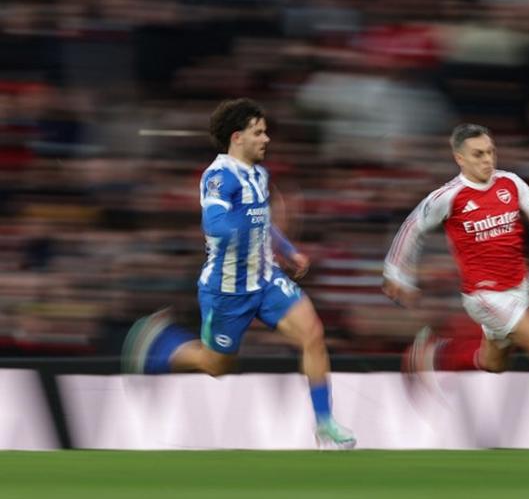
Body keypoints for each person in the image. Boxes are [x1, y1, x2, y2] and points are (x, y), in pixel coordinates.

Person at [122, 98, 356, 449]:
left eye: (266, 132)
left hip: (266, 280)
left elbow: (262, 220)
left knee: (313, 334)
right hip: (227, 290)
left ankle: (324, 423)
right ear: (237, 137)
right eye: (258, 132)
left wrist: (288, 250)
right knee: (217, 366)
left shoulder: (259, 174)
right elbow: (214, 223)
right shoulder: (218, 177)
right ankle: (159, 342)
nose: (266, 139)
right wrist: (247, 224)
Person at [383, 123, 529, 446]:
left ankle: (435, 352)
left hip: (518, 288)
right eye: (478, 154)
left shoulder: (510, 183)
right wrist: (397, 274)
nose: (487, 160)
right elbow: (412, 227)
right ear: (459, 158)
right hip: (484, 295)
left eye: (490, 152)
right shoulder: (449, 197)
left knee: (495, 362)